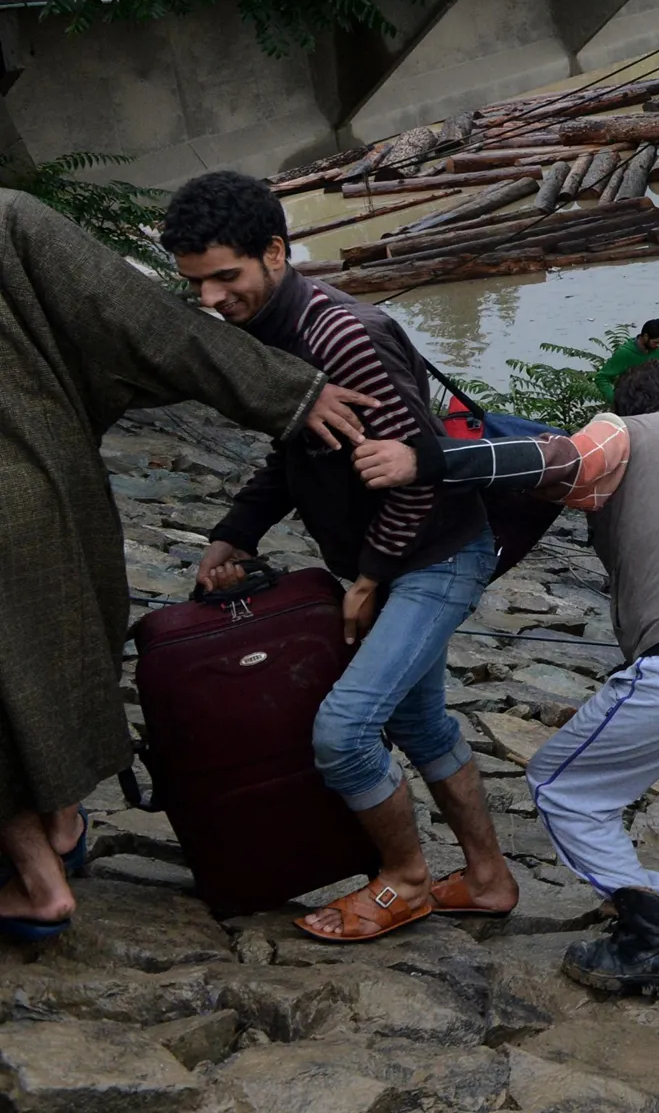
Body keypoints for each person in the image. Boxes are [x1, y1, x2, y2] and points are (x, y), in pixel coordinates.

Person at [352, 359, 659, 994]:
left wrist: (427, 461)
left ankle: (653, 927)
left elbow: (551, 464)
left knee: (561, 787)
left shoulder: (621, 431)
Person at [0, 190, 372, 940]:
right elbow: (139, 320)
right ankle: (65, 824)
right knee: (52, 654)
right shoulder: (7, 216)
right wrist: (285, 393)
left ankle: (38, 884)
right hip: (49, 488)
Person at [167, 171, 516, 944]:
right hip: (396, 561)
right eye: (196, 284)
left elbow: (420, 471)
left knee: (346, 730)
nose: (212, 299)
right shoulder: (268, 335)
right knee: (421, 723)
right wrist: (235, 533)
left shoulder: (341, 337)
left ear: (277, 252)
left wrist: (369, 579)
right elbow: (295, 454)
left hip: (436, 553)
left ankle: (406, 880)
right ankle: (489, 879)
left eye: (227, 277)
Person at [594, 319, 659, 403]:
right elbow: (602, 377)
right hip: (632, 401)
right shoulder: (624, 353)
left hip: (656, 397)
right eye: (655, 342)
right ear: (645, 336)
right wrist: (614, 401)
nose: (658, 345)